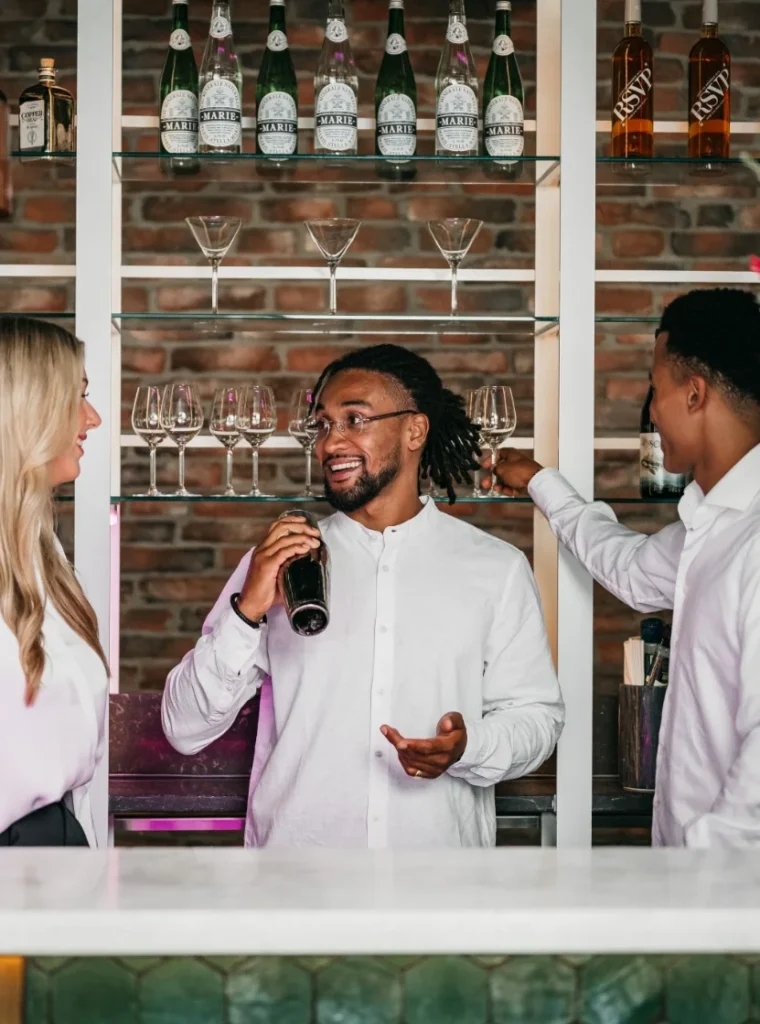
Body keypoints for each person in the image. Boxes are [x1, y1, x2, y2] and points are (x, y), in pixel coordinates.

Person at [163, 344, 563, 848]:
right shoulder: (278, 562)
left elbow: (538, 719)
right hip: (297, 881)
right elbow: (184, 726)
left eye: (356, 419)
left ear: (414, 430)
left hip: (438, 886)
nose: (332, 443)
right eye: (324, 425)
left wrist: (469, 748)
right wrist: (247, 613)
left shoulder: (496, 568)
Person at [487, 288, 760, 848]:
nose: (651, 409)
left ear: (694, 393)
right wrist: (541, 481)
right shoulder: (712, 529)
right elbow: (631, 569)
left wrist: (707, 869)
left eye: (655, 389)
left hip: (728, 893)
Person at [0, 316, 108, 846]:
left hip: (55, 849)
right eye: (78, 396)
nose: (94, 418)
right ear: (27, 410)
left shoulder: (44, 554)